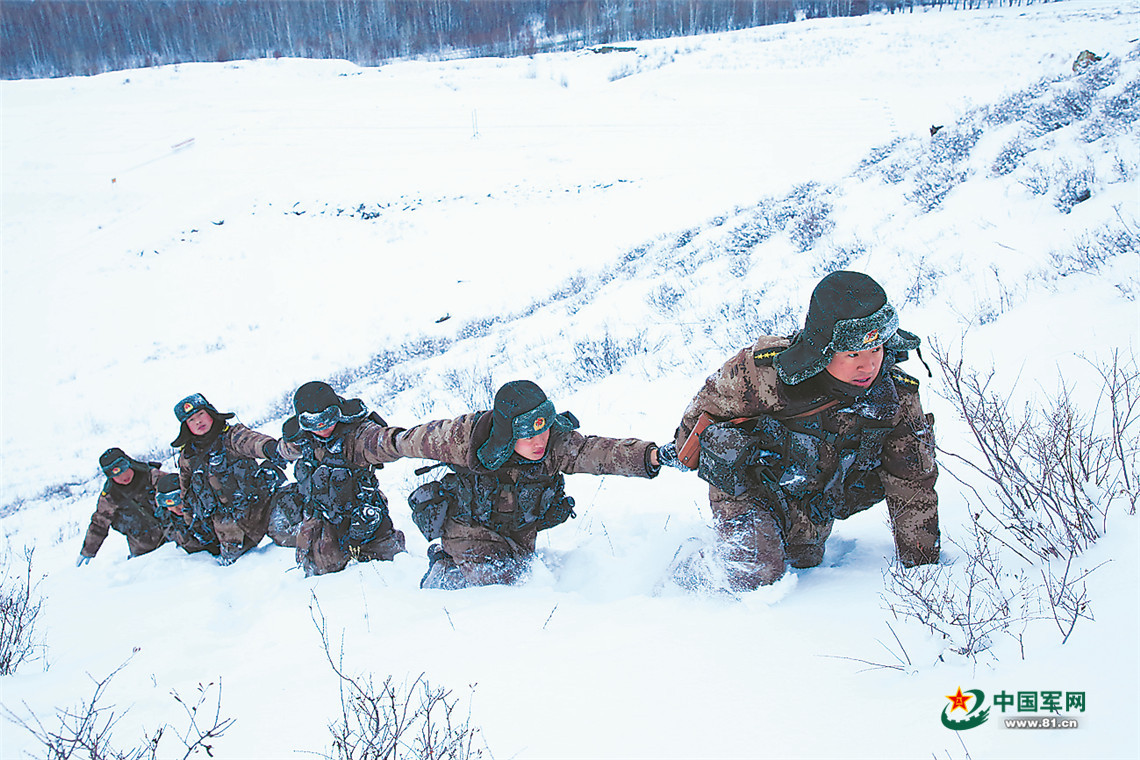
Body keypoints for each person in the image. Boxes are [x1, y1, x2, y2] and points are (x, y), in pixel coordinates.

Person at [660, 270, 940, 591]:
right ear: (823, 349)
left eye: (876, 350)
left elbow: (912, 483)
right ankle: (686, 581)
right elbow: (698, 423)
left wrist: (923, 569)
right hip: (748, 487)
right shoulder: (761, 375)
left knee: (804, 558)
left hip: (811, 498)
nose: (868, 365)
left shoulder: (894, 397)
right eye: (852, 354)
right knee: (757, 571)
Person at [376, 379, 663, 589]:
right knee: (498, 589)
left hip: (518, 533)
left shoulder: (553, 442)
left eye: (545, 430)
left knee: (523, 575)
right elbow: (409, 441)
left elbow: (597, 452)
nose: (540, 443)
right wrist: (374, 444)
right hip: (468, 531)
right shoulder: (462, 438)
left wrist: (649, 456)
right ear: (508, 433)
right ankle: (443, 574)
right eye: (528, 436)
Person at [275, 381, 406, 577]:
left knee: (394, 570)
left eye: (328, 419)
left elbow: (392, 442)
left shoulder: (359, 435)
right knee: (319, 577)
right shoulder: (302, 440)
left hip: (363, 516)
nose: (322, 428)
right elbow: (283, 450)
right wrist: (272, 452)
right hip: (323, 520)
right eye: (314, 424)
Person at [172, 393, 285, 566]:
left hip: (262, 509)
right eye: (191, 420)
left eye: (201, 414)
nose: (198, 422)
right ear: (186, 427)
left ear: (210, 413)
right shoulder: (187, 457)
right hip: (228, 529)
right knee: (235, 571)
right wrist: (190, 521)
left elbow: (252, 441)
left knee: (289, 542)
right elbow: (186, 491)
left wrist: (271, 448)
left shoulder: (232, 436)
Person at [77, 448, 169, 565]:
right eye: (116, 474)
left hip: (172, 532)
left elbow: (178, 490)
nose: (123, 476)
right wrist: (88, 551)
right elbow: (99, 523)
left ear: (129, 463)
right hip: (142, 545)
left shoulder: (150, 475)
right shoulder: (110, 495)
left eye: (124, 469)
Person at [153, 472, 221, 556]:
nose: (177, 509)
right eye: (170, 507)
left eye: (179, 504)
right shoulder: (170, 520)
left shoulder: (207, 509)